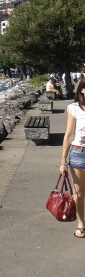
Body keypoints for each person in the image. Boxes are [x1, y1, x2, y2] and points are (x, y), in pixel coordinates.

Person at [60, 81, 85, 237]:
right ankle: (81, 223)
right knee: (80, 193)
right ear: (82, 90)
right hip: (79, 153)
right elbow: (68, 136)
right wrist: (63, 161)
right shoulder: (74, 108)